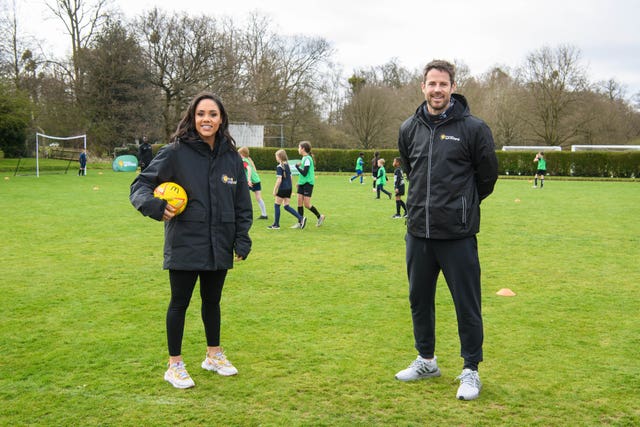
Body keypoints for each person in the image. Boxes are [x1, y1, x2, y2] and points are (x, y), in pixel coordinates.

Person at [129, 92, 253, 389]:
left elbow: (241, 203)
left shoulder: (232, 158)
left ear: (221, 119)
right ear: (192, 118)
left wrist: (242, 237)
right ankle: (175, 365)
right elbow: (140, 185)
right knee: (179, 303)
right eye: (201, 114)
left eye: (212, 114)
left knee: (212, 301)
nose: (206, 119)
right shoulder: (175, 152)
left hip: (219, 241)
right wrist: (156, 207)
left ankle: (213, 355)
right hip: (185, 240)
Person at [395, 60, 498, 401]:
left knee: (466, 305)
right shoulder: (409, 127)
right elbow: (411, 169)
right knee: (419, 301)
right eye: (431, 84)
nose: (437, 90)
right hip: (419, 234)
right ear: (422, 87)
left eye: (443, 84)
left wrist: (461, 208)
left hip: (457, 236)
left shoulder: (473, 129)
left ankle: (470, 370)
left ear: (453, 87)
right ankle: (426, 360)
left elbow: (486, 179)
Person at [268, 149, 307, 230]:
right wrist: (291, 189)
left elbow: (279, 180)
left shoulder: (279, 167)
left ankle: (276, 225)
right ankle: (301, 218)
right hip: (288, 188)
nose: (275, 158)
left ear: (279, 157)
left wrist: (274, 190)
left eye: (276, 156)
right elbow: (291, 177)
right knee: (286, 206)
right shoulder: (288, 165)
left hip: (282, 189)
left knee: (276, 205)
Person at [294, 141, 325, 227]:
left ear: (303, 149)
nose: (298, 149)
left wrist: (297, 167)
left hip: (308, 184)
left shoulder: (307, 158)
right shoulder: (304, 158)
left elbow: (304, 173)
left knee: (306, 204)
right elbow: (303, 175)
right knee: (299, 202)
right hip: (302, 183)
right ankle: (300, 222)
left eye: (299, 147)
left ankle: (320, 217)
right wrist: (299, 182)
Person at [238, 146, 268, 219]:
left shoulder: (244, 160)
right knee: (258, 198)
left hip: (251, 181)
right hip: (257, 180)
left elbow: (249, 169)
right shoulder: (248, 159)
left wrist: (248, 180)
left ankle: (243, 214)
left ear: (242, 154)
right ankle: (264, 215)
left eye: (238, 154)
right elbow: (253, 169)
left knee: (241, 197)